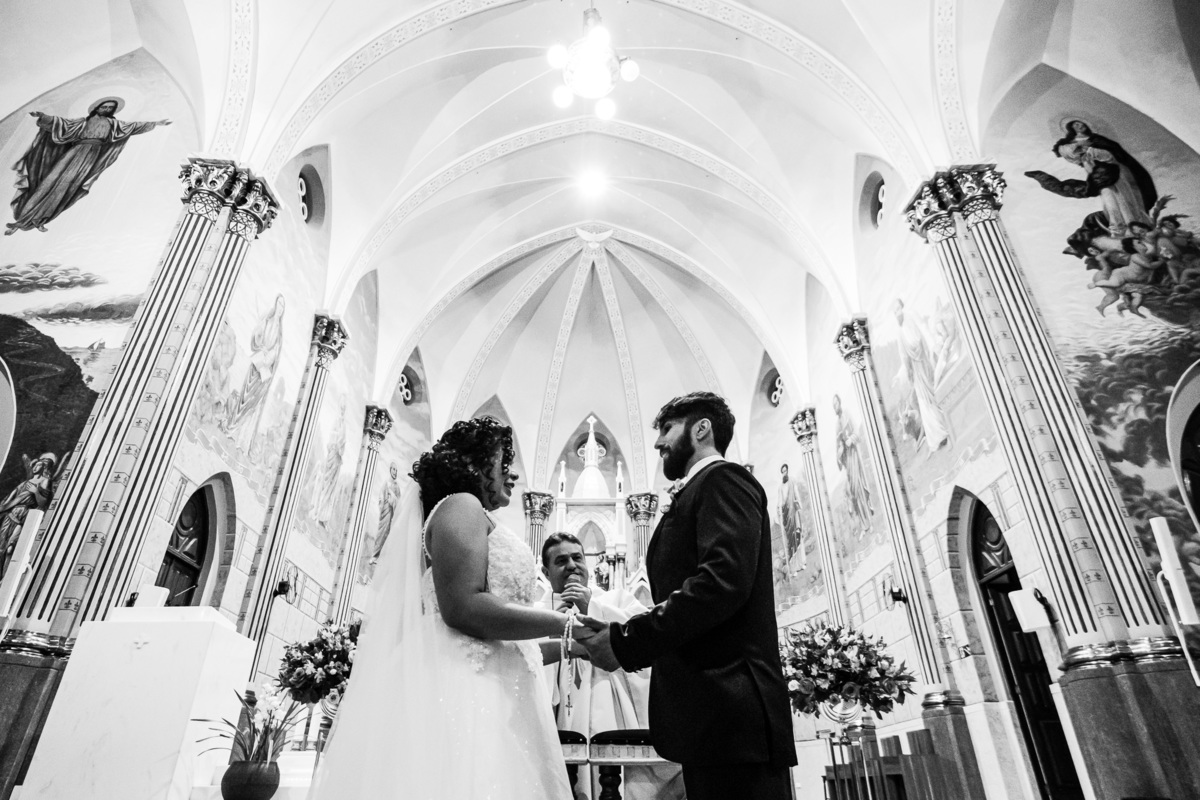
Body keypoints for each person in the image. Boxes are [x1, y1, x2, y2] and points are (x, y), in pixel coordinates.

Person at [309, 417, 589, 799]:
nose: (512, 473)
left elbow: (506, 645)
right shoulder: (461, 506)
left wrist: (573, 645)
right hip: (466, 691)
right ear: (474, 465)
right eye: (504, 462)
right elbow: (464, 608)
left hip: (497, 686)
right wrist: (563, 623)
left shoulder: (474, 514)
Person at [580, 392, 797, 800]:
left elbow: (719, 584)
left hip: (732, 713)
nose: (659, 442)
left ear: (702, 429)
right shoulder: (701, 489)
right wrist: (617, 633)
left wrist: (626, 642)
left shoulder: (724, 480)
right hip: (709, 715)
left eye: (667, 429)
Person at [541, 532, 685, 800]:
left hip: (614, 715)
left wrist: (592, 607)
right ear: (545, 572)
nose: (572, 565)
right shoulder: (538, 611)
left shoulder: (617, 599)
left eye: (577, 558)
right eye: (561, 561)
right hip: (560, 721)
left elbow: (647, 639)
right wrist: (551, 630)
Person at [7, 97, 172, 234]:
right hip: (76, 152)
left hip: (92, 157)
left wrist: (156, 123)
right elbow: (62, 123)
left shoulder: (114, 124)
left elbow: (133, 126)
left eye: (110, 108)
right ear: (97, 107)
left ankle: (41, 219)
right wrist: (43, 116)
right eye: (104, 106)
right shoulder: (83, 122)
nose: (107, 109)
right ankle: (24, 217)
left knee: (67, 188)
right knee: (51, 182)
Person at [777, 463, 804, 570]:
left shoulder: (792, 482)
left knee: (797, 536)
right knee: (790, 542)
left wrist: (799, 505)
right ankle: (793, 567)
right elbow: (780, 502)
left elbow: (796, 494)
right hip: (786, 516)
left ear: (787, 471)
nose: (784, 473)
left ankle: (801, 563)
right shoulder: (780, 487)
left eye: (785, 471)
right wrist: (780, 512)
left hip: (794, 513)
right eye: (783, 471)